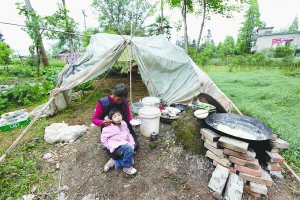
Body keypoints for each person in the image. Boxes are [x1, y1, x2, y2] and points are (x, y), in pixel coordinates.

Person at [92, 84, 140, 163]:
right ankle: (116, 154)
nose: (120, 102)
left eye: (123, 99)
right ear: (113, 94)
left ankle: (122, 154)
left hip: (123, 127)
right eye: (118, 99)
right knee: (114, 154)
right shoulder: (103, 102)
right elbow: (94, 119)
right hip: (110, 130)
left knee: (136, 146)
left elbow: (128, 116)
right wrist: (102, 122)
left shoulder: (124, 102)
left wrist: (132, 123)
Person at [100, 108, 137, 174]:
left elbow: (129, 135)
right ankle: (126, 168)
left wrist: (132, 144)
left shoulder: (123, 124)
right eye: (114, 116)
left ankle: (115, 162)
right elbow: (103, 139)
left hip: (125, 144)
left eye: (119, 115)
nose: (118, 118)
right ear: (111, 119)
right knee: (128, 149)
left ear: (122, 116)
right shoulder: (108, 128)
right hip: (116, 147)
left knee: (131, 162)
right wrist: (110, 146)